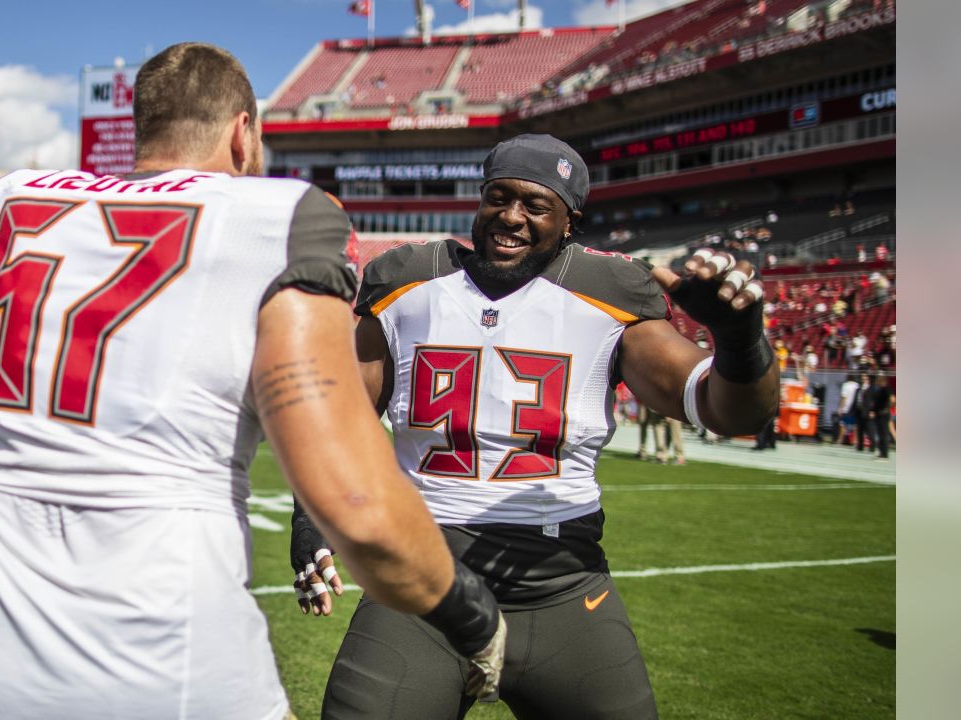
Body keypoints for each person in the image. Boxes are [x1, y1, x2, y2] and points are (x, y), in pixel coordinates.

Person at [0, 43, 505, 720]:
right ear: (242, 131)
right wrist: (474, 619)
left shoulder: (13, 202)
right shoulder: (279, 217)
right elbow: (355, 499)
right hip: (171, 653)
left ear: (142, 127)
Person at [293, 135, 779, 719]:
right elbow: (339, 410)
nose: (511, 217)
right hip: (421, 580)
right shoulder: (408, 279)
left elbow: (732, 411)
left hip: (559, 585)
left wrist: (739, 342)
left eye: (535, 205)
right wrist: (311, 517)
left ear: (569, 222)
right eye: (499, 198)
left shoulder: (610, 293)